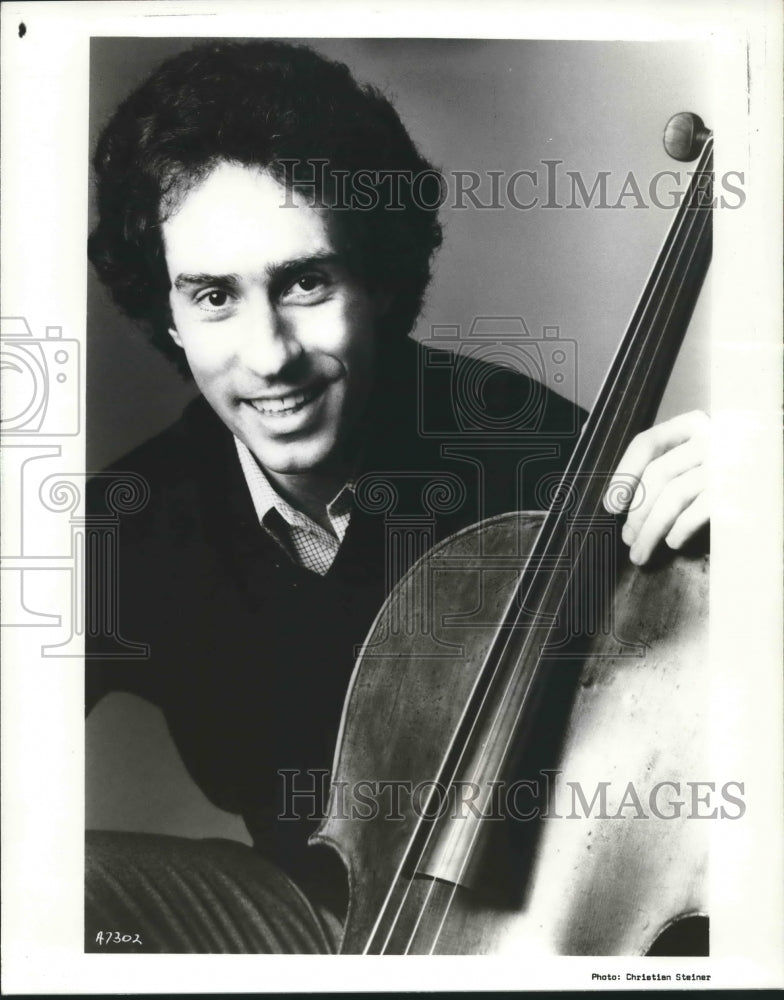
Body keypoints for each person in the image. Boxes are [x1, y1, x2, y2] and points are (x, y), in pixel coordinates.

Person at [85, 39, 709, 953]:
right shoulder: (131, 516)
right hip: (309, 932)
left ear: (377, 280)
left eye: (305, 281)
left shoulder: (551, 465)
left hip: (553, 947)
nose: (269, 355)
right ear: (169, 315)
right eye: (214, 296)